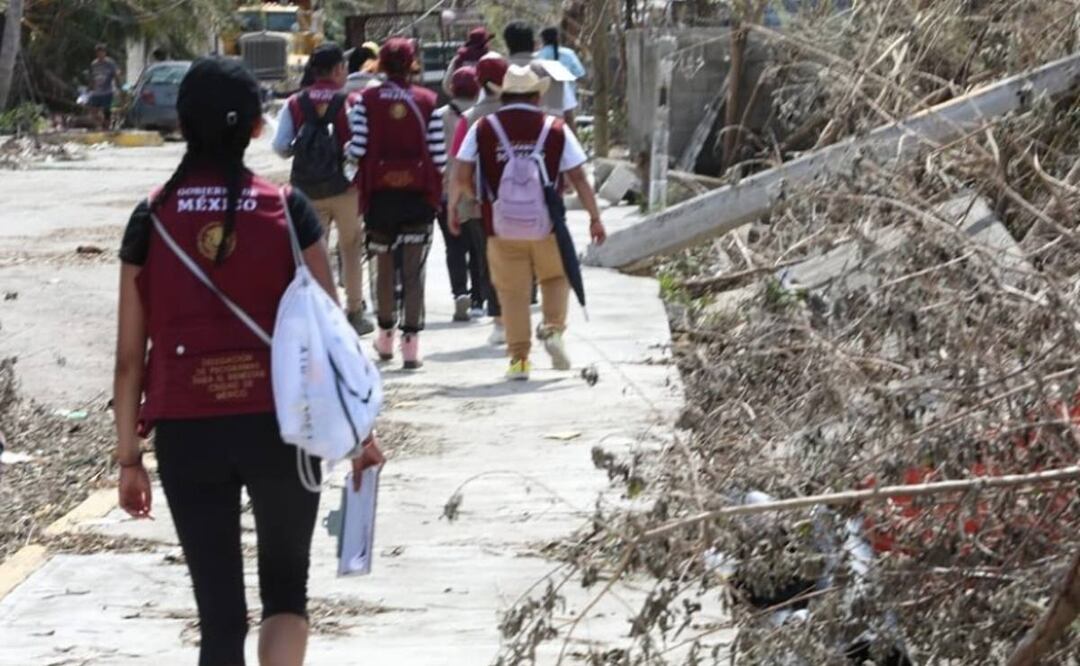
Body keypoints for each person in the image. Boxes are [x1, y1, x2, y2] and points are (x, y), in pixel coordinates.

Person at [113, 57, 385, 666]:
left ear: (183, 125)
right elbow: (331, 333)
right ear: (258, 131)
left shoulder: (150, 218)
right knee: (286, 592)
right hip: (284, 427)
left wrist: (129, 459)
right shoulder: (288, 210)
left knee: (219, 615)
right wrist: (360, 433)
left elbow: (129, 359)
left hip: (186, 432)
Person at [450, 65, 607, 381]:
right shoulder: (556, 128)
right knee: (554, 277)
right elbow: (578, 177)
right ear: (538, 96)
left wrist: (459, 205)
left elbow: (461, 174)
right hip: (547, 225)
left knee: (512, 293)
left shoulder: (482, 127)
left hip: (500, 226)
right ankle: (552, 329)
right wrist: (595, 217)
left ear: (503, 96)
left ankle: (519, 359)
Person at [347, 38, 446, 370]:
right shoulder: (428, 101)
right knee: (414, 270)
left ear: (382, 65)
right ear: (412, 63)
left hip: (379, 196)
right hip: (418, 197)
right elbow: (439, 157)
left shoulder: (365, 101)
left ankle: (385, 336)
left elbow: (358, 148)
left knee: (383, 267)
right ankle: (411, 346)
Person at [273, 43, 374, 336]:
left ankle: (318, 312)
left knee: (311, 250)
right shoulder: (350, 101)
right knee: (351, 248)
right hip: (345, 189)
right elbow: (359, 145)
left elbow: (280, 146)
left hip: (305, 192)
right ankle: (355, 311)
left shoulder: (294, 103)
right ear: (338, 70)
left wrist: (300, 150)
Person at [452, 54, 508, 342]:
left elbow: (460, 169)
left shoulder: (469, 119)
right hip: (525, 204)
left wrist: (457, 203)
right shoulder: (526, 113)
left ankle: (500, 322)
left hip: (480, 206)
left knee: (490, 261)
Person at [435, 67, 483, 321]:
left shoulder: (438, 117)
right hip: (474, 191)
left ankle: (459, 293)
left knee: (453, 246)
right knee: (477, 247)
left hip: (445, 192)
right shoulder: (479, 116)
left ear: (452, 89)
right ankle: (478, 298)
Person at [536, 26, 586, 132]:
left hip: (543, 97)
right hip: (565, 96)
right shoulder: (568, 54)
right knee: (569, 126)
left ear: (542, 40)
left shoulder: (537, 56)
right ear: (558, 38)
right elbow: (581, 76)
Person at [442, 27, 493, 96]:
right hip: (485, 101)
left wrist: (458, 96)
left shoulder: (459, 59)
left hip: (463, 101)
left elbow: (446, 85)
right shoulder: (490, 59)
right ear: (485, 44)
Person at [88, 44, 121, 130]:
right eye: (98, 53)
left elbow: (116, 75)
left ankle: (106, 127)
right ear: (96, 54)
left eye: (102, 52)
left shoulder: (110, 63)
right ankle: (102, 124)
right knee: (93, 110)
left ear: (105, 53)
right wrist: (90, 87)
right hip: (96, 92)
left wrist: (119, 87)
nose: (100, 55)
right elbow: (92, 77)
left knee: (106, 111)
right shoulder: (94, 64)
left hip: (107, 91)